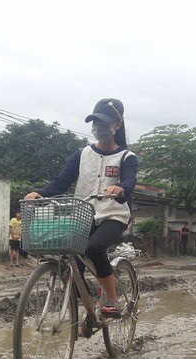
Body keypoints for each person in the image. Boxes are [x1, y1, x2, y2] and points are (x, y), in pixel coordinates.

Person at [25, 98, 138, 318]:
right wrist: (41, 193)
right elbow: (61, 181)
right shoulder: (82, 154)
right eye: (95, 122)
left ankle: (112, 300)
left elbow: (130, 179)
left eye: (105, 122)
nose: (99, 127)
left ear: (117, 124)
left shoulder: (126, 157)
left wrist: (121, 188)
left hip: (113, 216)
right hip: (83, 215)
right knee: (73, 265)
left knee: (94, 248)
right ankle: (91, 309)